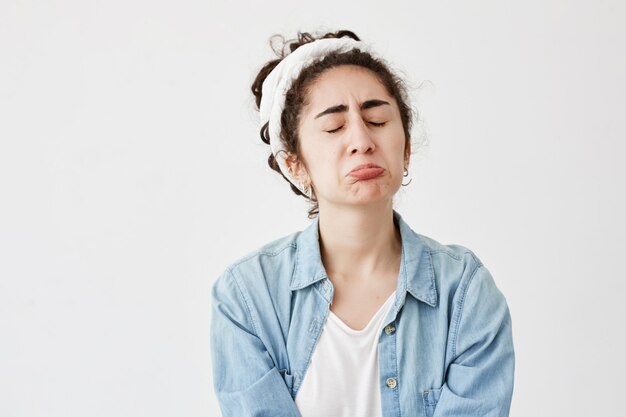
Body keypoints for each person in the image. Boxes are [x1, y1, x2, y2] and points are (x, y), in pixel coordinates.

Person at [210, 30, 515, 417]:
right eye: (334, 127)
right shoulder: (247, 296)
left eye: (377, 119)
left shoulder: (466, 292)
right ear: (295, 164)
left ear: (405, 148)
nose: (361, 140)